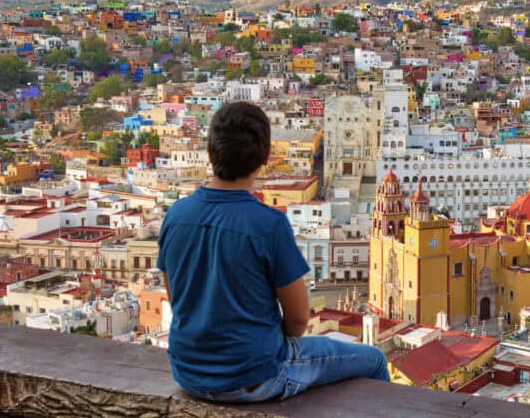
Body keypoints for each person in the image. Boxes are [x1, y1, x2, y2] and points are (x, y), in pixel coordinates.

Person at [158, 101, 389, 403]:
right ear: (266, 158)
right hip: (255, 378)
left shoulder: (175, 215)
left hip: (187, 374)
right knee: (374, 360)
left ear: (211, 154)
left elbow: (177, 300)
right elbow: (297, 321)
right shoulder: (269, 224)